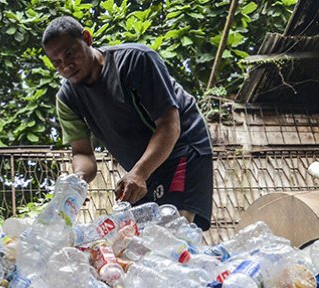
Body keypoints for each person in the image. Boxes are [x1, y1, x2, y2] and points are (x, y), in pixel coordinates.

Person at [42, 16, 214, 230]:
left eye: (69, 54)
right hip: (140, 167)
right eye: (56, 62)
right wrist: (77, 182)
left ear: (87, 38)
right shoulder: (67, 98)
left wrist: (140, 172)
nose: (66, 65)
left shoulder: (136, 60)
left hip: (181, 147)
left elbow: (169, 123)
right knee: (140, 240)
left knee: (175, 232)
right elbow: (83, 153)